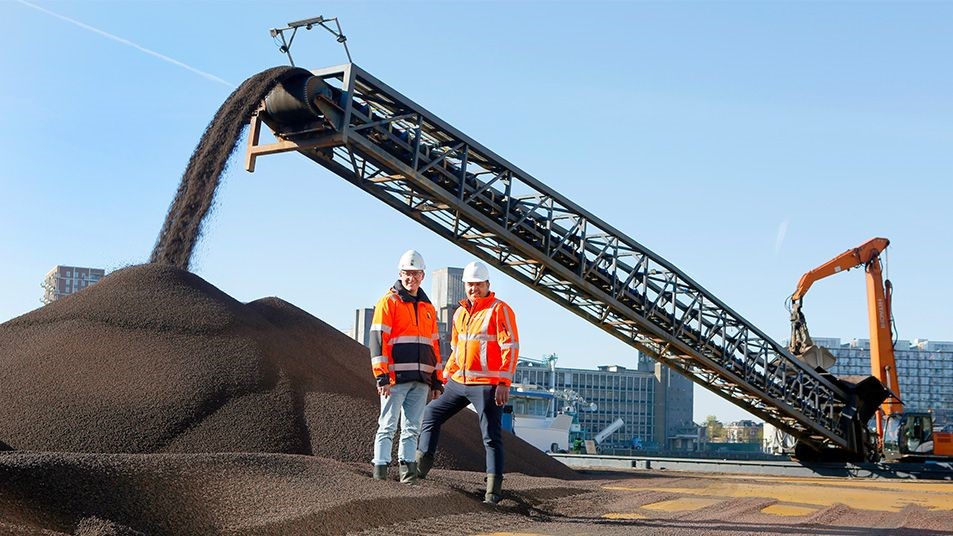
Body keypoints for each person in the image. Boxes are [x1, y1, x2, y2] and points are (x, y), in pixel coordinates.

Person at [416, 261, 519, 504]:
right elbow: (456, 349)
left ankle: (492, 492)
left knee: (490, 436)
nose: (473, 289)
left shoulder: (499, 310)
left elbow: (511, 347)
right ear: (465, 286)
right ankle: (419, 471)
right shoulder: (460, 313)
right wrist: (443, 378)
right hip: (458, 383)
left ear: (487, 285)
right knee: (431, 415)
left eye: (478, 285)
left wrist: (504, 382)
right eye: (470, 285)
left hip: (487, 385)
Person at [369, 249, 443, 483]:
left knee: (412, 429)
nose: (411, 278)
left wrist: (436, 379)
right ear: (400, 274)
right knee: (388, 426)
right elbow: (379, 340)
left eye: (416, 274)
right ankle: (380, 471)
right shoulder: (388, 302)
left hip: (421, 379)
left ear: (423, 276)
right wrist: (382, 376)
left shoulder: (428, 308)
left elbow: (435, 347)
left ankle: (407, 475)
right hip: (395, 379)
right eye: (407, 274)